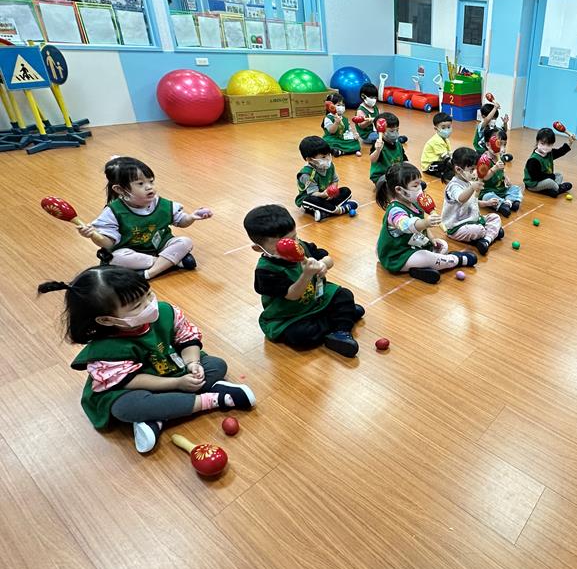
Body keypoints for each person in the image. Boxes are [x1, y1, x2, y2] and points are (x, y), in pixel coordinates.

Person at [38, 266, 255, 454]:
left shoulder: (165, 312)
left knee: (215, 365)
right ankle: (212, 399)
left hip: (173, 369)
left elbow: (186, 338)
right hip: (134, 387)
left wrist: (193, 364)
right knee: (124, 408)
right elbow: (130, 381)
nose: (150, 305)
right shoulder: (105, 350)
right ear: (106, 319)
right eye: (137, 306)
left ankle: (158, 416)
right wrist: (177, 384)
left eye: (149, 295)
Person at [244, 204, 364, 358]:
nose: (293, 245)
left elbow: (328, 258)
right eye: (281, 245)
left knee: (344, 294)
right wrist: (307, 274)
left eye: (293, 237)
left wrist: (323, 264)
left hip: (317, 299)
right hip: (289, 315)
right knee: (301, 336)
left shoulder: (301, 246)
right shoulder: (266, 271)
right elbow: (293, 295)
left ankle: (341, 332)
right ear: (259, 248)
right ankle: (340, 319)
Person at [79, 156, 212, 279]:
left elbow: (181, 221)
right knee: (115, 258)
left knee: (185, 241)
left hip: (161, 246)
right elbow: (108, 243)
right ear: (120, 189)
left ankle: (148, 273)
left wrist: (191, 217)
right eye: (140, 184)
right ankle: (171, 262)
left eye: (151, 181)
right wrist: (93, 235)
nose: (149, 187)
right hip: (132, 252)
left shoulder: (161, 203)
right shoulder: (113, 211)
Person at [375, 162, 476, 284]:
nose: (420, 188)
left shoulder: (414, 202)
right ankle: (456, 259)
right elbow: (407, 226)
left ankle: (419, 269)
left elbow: (422, 227)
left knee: (442, 245)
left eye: (420, 183)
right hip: (397, 255)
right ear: (399, 190)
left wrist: (431, 238)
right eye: (415, 185)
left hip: (411, 244)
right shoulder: (395, 211)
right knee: (426, 257)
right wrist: (426, 223)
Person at [443, 147, 504, 255]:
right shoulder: (453, 186)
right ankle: (490, 233)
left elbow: (472, 201)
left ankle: (486, 240)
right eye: (471, 170)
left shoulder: (469, 180)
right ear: (458, 170)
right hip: (457, 227)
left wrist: (486, 203)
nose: (475, 173)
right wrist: (472, 188)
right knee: (478, 230)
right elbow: (462, 199)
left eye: (476, 169)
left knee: (495, 217)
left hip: (472, 219)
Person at [295, 136, 356, 222]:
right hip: (315, 197)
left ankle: (325, 212)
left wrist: (332, 192)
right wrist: (324, 194)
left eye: (328, 155)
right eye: (323, 157)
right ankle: (339, 210)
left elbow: (335, 181)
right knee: (309, 200)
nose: (327, 159)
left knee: (346, 191)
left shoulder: (330, 166)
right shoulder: (307, 174)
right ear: (309, 159)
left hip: (327, 197)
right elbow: (313, 193)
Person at [479, 128, 522, 217]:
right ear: (488, 145)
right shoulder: (484, 159)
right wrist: (494, 168)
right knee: (487, 197)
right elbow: (484, 177)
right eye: (499, 144)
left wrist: (505, 177)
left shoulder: (500, 158)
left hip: (501, 189)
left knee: (516, 188)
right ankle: (504, 204)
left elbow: (502, 171)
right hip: (488, 190)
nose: (503, 149)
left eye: (504, 145)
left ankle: (508, 202)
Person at [524, 128, 574, 198]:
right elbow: (536, 177)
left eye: (549, 145)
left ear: (552, 144)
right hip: (533, 184)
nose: (545, 147)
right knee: (550, 182)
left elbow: (560, 151)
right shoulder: (533, 160)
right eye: (542, 144)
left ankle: (551, 190)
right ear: (537, 142)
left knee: (559, 175)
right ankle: (558, 189)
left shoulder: (549, 153)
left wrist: (570, 142)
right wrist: (551, 177)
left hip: (545, 179)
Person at [368, 111, 408, 187]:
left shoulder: (398, 144)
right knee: (389, 184)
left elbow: (404, 159)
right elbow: (373, 160)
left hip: (396, 174)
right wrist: (377, 150)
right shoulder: (378, 144)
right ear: (381, 132)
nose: (395, 133)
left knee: (414, 180)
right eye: (392, 131)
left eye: (397, 130)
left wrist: (410, 170)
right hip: (382, 176)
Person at [321, 92, 361, 157]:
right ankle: (345, 151)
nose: (341, 107)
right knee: (329, 143)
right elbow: (331, 131)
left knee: (355, 142)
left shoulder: (345, 118)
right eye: (338, 105)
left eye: (343, 105)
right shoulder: (328, 118)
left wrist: (354, 135)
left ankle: (341, 152)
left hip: (343, 138)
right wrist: (336, 123)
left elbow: (348, 130)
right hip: (333, 138)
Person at [421, 112, 455, 181]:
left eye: (449, 127)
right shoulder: (436, 141)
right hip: (429, 166)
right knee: (451, 171)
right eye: (443, 127)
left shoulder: (445, 139)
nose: (447, 130)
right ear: (436, 129)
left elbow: (449, 154)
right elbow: (446, 157)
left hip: (439, 162)